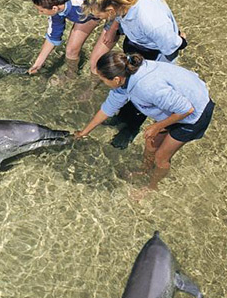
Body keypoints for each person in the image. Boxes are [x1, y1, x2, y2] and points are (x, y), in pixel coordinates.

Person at [74, 51, 214, 199]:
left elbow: (186, 109)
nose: (103, 84)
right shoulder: (125, 76)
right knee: (150, 142)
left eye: (103, 80)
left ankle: (151, 187)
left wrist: (157, 126)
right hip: (176, 106)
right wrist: (84, 132)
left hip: (196, 113)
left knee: (161, 157)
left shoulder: (147, 87)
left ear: (116, 79)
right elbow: (107, 108)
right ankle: (144, 170)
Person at [80, 0, 188, 149]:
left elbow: (172, 46)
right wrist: (114, 26)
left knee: (141, 93)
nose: (98, 20)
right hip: (136, 40)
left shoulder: (150, 21)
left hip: (156, 53)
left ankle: (131, 127)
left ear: (110, 10)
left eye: (99, 16)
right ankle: (122, 117)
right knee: (124, 83)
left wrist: (181, 40)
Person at [27, 0, 123, 77]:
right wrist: (37, 64)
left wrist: (112, 30)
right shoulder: (57, 5)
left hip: (117, 8)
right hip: (92, 11)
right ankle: (71, 76)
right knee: (71, 51)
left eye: (41, 10)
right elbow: (53, 37)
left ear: (54, 8)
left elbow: (120, 8)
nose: (39, 13)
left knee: (95, 63)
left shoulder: (82, 2)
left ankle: (91, 88)